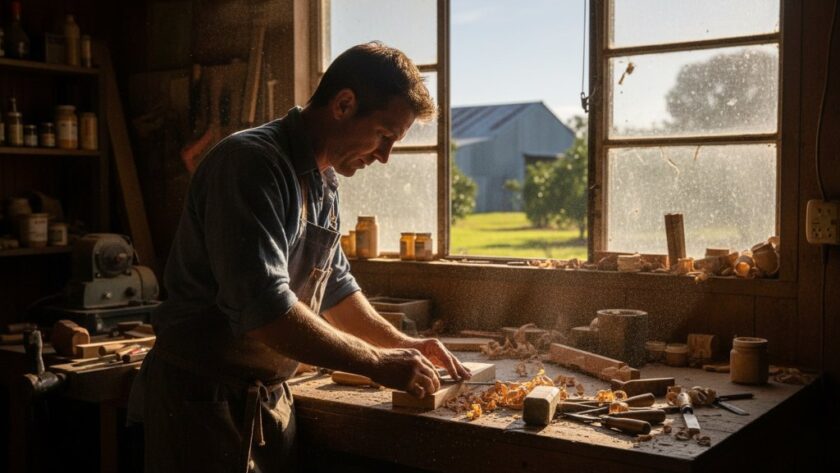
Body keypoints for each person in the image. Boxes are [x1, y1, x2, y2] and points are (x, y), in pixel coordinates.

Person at [128, 42, 471, 473]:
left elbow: (337, 289)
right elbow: (265, 310)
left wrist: (402, 344)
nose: (384, 157)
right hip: (202, 401)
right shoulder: (252, 165)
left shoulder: (323, 180)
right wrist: (377, 363)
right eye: (384, 136)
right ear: (344, 104)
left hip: (268, 399)